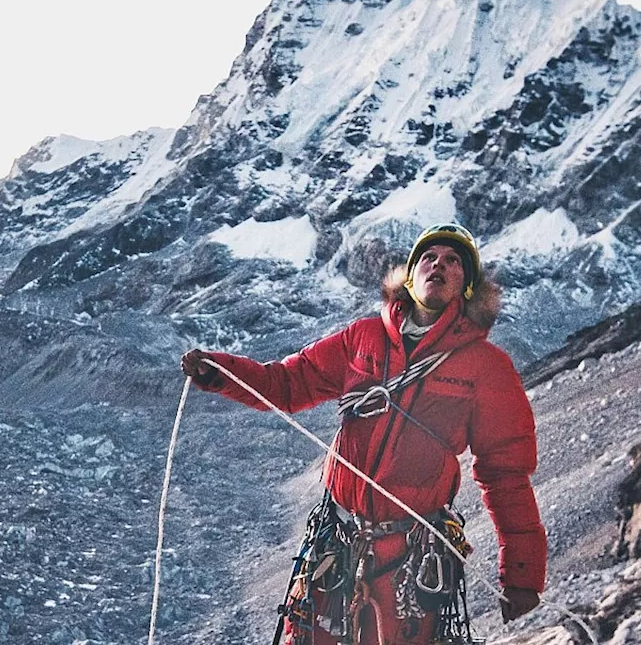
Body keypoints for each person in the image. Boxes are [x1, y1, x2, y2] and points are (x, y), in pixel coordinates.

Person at [181, 224, 546, 645]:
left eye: (453, 262)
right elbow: (287, 383)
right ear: (410, 276)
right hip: (335, 539)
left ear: (467, 287)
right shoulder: (363, 337)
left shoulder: (486, 367)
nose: (438, 265)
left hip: (411, 556)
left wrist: (521, 574)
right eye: (429, 258)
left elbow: (506, 474)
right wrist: (220, 371)